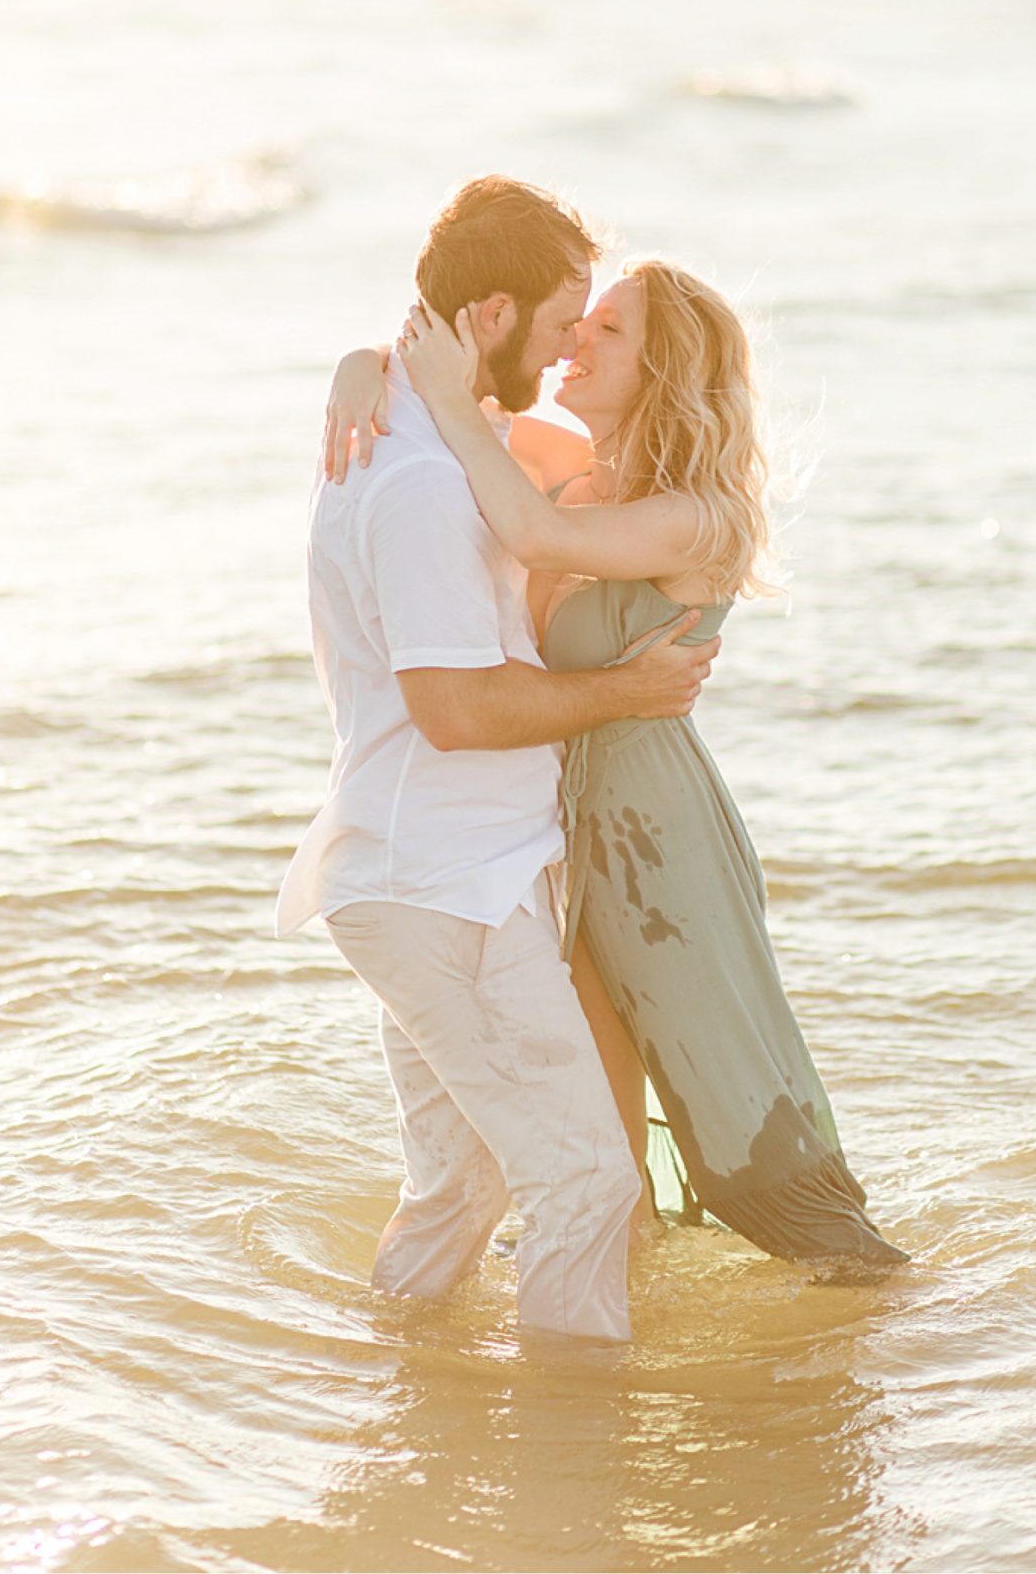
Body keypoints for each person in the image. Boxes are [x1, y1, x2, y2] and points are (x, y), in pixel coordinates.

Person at [327, 256, 909, 1269]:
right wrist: (360, 366)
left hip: (656, 824)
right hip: (569, 821)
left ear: (664, 369)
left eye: (608, 333)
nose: (575, 345)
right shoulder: (574, 462)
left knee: (723, 1089)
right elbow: (455, 415)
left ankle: (875, 1297)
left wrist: (450, 404)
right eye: (577, 324)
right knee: (607, 1103)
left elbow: (528, 522)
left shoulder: (699, 513)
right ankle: (612, 1318)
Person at [275, 175, 723, 1345]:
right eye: (566, 311)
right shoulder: (421, 482)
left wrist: (363, 356)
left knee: (462, 1187)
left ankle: (407, 1422)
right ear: (488, 319)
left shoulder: (424, 437)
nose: (577, 336)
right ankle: (572, 1476)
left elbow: (569, 449)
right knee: (586, 1185)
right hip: (445, 885)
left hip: (428, 873)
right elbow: (455, 711)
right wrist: (624, 691)